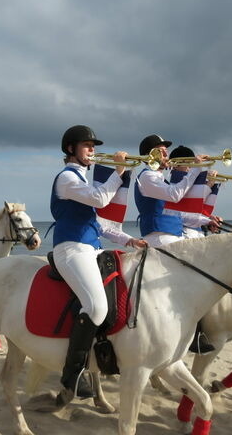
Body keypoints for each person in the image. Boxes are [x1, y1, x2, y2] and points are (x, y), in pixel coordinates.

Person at [51, 125, 147, 403]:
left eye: (93, 146)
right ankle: (73, 375)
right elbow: (101, 199)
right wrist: (119, 172)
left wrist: (130, 240)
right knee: (96, 306)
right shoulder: (67, 179)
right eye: (87, 146)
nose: (92, 150)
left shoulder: (83, 182)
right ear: (71, 149)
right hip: (71, 249)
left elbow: (99, 224)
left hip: (91, 248)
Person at [134, 135, 216, 353]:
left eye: (165, 151)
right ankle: (195, 332)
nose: (166, 154)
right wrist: (196, 170)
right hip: (159, 236)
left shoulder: (160, 179)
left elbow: (179, 213)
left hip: (171, 233)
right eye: (160, 151)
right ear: (148, 156)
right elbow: (176, 195)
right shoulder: (148, 177)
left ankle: (197, 330)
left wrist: (207, 220)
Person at [166, 145, 222, 239]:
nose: (191, 168)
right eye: (188, 163)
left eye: (193, 164)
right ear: (175, 165)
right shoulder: (169, 187)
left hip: (196, 233)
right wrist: (208, 187)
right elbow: (181, 214)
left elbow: (195, 211)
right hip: (182, 234)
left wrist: (209, 220)